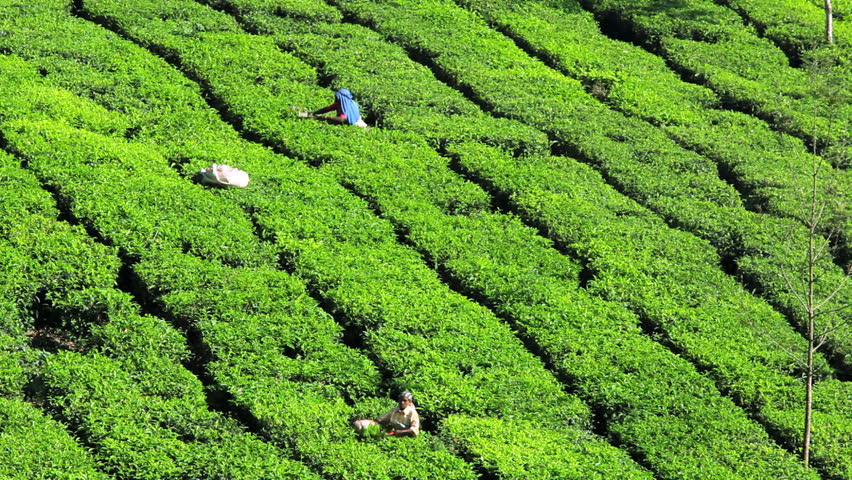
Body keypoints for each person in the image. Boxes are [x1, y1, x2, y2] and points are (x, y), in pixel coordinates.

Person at [299, 88, 368, 127]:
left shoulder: (348, 106)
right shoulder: (340, 104)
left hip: (357, 125)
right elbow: (327, 108)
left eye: (337, 97)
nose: (336, 98)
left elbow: (343, 119)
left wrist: (326, 118)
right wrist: (313, 113)